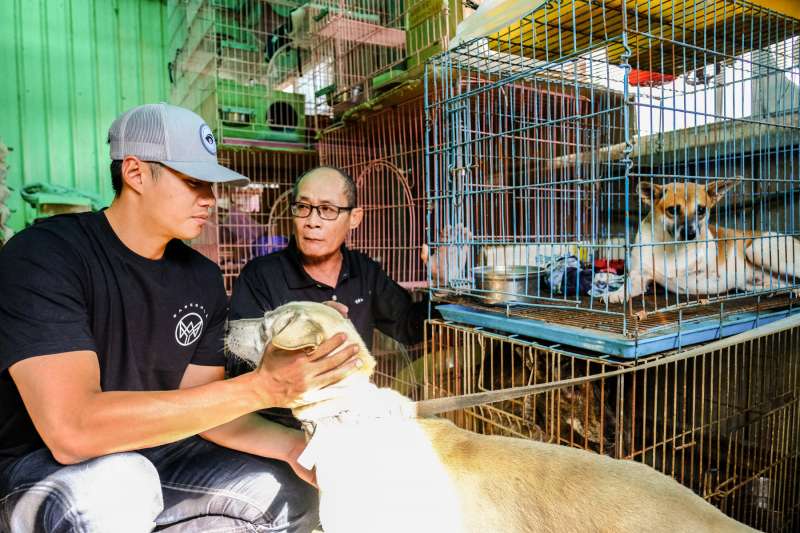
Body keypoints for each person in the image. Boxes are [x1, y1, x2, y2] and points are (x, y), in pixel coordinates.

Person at [0, 103, 361, 533]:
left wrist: (298, 449)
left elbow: (209, 408)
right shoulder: (44, 255)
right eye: (193, 182)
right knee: (120, 484)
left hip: (159, 456)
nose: (210, 198)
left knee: (290, 490)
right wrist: (263, 386)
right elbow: (72, 430)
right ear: (135, 173)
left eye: (212, 184)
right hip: (43, 468)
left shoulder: (201, 277)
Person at [227, 166, 465, 425]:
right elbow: (238, 361)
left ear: (355, 218)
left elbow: (408, 328)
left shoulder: (364, 271)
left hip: (349, 421)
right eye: (302, 207)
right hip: (283, 425)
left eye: (328, 210)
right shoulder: (261, 275)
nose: (312, 221)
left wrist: (443, 287)